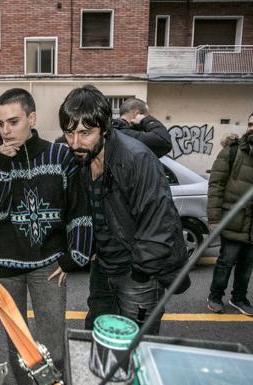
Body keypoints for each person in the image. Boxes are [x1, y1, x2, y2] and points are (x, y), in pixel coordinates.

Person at [0, 88, 93, 383]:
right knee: (18, 343)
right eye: (0, 123)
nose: (6, 131)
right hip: (3, 267)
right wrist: (4, 166)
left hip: (49, 265)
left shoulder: (60, 155)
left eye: (13, 122)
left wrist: (74, 257)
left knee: (53, 340)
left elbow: (78, 206)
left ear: (32, 118)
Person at [59, 85, 190, 334]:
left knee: (136, 347)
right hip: (102, 269)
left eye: (85, 133)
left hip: (137, 274)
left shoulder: (135, 158)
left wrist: (140, 273)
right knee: (98, 337)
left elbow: (159, 223)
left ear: (105, 128)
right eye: (69, 132)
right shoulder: (83, 158)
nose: (75, 142)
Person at [206, 112, 253, 316]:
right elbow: (216, 185)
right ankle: (215, 297)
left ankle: (239, 298)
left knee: (247, 265)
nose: (252, 128)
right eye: (251, 124)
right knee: (226, 261)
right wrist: (215, 218)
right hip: (233, 219)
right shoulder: (232, 151)